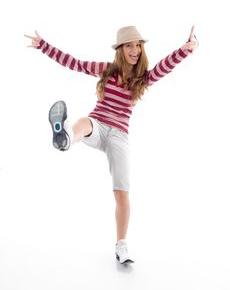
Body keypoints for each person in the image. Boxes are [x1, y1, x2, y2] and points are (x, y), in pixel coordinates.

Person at [25, 25, 198, 264]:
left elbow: (164, 67)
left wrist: (185, 49)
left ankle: (122, 246)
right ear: (120, 49)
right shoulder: (106, 70)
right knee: (85, 122)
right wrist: (43, 46)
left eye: (138, 45)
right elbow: (74, 63)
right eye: (129, 45)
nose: (135, 50)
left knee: (122, 193)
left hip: (119, 135)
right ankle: (65, 138)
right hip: (98, 124)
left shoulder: (143, 78)